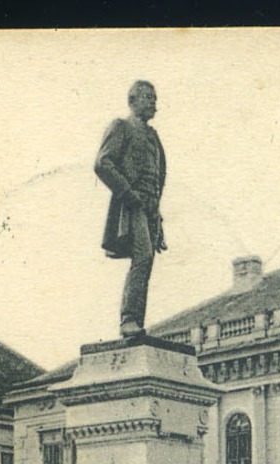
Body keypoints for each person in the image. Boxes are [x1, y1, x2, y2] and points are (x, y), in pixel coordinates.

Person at [95, 80, 167, 338]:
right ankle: (128, 320)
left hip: (150, 207)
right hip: (131, 204)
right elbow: (103, 163)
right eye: (147, 97)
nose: (152, 103)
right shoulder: (121, 127)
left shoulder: (153, 136)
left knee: (146, 262)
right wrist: (128, 193)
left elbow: (158, 177)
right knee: (143, 257)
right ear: (132, 101)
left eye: (155, 98)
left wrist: (157, 213)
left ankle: (136, 322)